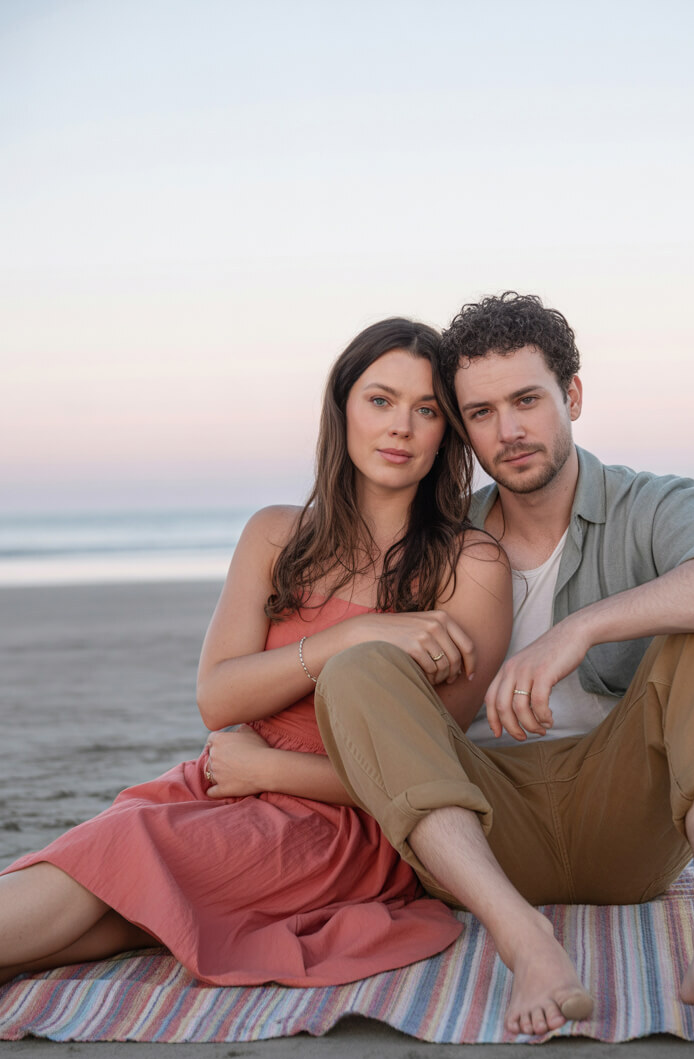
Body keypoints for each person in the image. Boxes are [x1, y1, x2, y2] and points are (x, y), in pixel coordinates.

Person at [313, 292, 694, 1039]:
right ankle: (527, 943)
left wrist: (579, 629)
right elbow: (377, 713)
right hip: (482, 828)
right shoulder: (437, 538)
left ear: (571, 396)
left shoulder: (647, 505)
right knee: (355, 670)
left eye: (527, 400)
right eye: (480, 413)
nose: (508, 432)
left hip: (627, 817)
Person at [0, 318, 512, 990]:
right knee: (100, 888)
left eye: (427, 410)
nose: (401, 427)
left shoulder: (468, 566)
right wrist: (349, 638)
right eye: (380, 400)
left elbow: (432, 778)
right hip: (221, 783)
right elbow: (218, 698)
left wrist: (266, 766)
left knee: (122, 856)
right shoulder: (275, 536)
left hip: (345, 824)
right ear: (343, 409)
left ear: (446, 431)